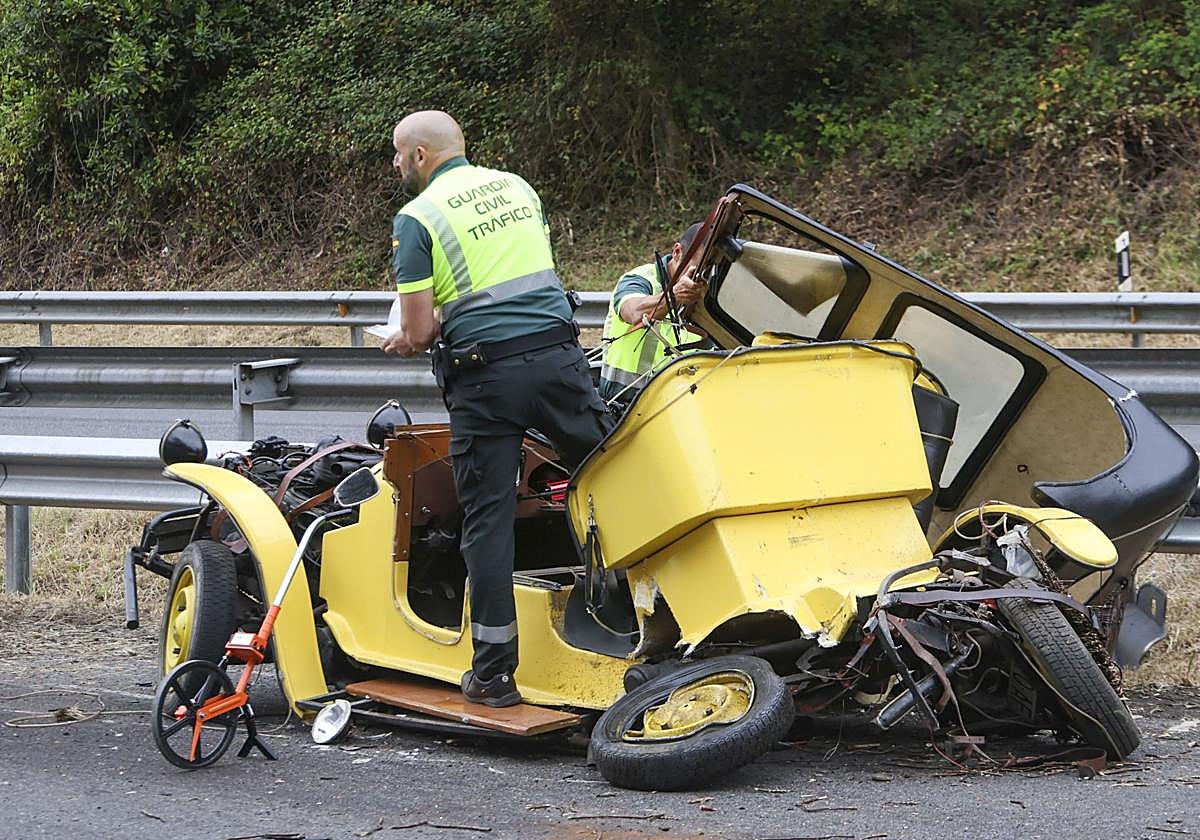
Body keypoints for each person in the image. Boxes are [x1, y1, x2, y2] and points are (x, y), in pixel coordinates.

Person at [380, 111, 613, 708]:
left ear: (422, 157)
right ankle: (651, 621)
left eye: (398, 154)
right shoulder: (517, 187)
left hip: (486, 381)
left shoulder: (418, 218)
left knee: (487, 519)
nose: (395, 165)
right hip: (560, 361)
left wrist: (403, 341)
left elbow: (419, 326)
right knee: (613, 479)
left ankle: (493, 675)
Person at [598, 223, 708, 404]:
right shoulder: (640, 280)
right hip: (620, 405)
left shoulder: (709, 297)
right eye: (697, 269)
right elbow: (633, 311)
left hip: (677, 410)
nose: (700, 277)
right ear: (677, 252)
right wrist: (674, 296)